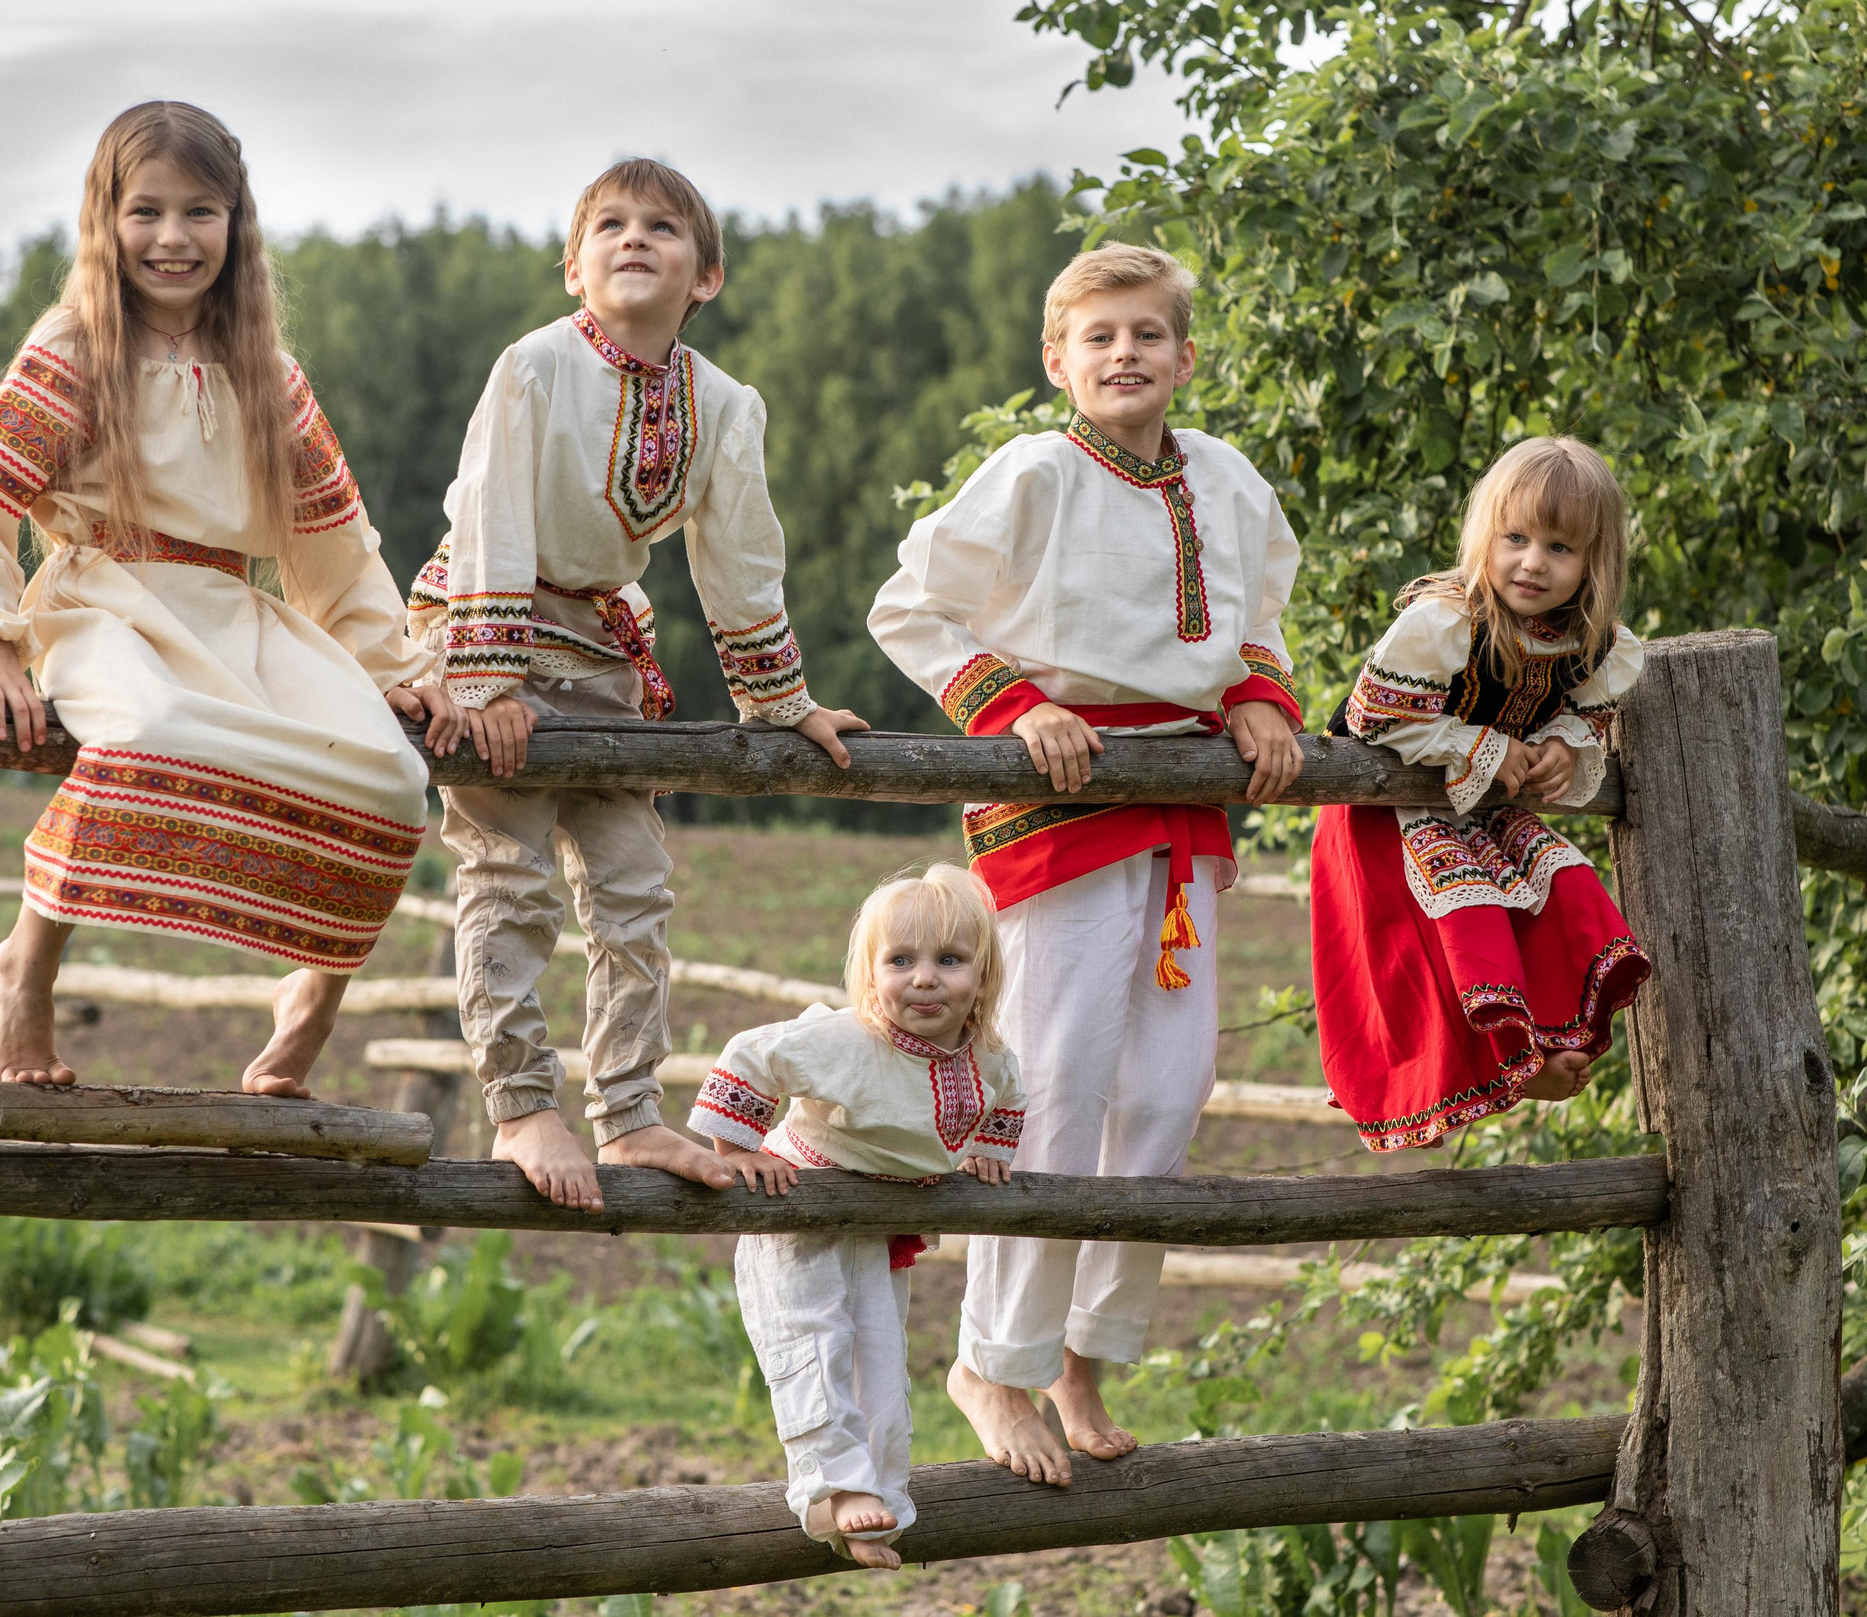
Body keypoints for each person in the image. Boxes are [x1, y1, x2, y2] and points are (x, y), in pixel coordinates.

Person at [866, 243, 1303, 1486]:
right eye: (1097, 336)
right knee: (1057, 1086)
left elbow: (1259, 614)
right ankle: (992, 1364)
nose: (1124, 354)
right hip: (1061, 799)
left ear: (1184, 356)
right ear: (1056, 360)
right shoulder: (1031, 474)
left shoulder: (1226, 479)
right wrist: (1009, 705)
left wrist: (1263, 700)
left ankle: (1083, 1353)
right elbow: (909, 605)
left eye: (1146, 335)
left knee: (1165, 1091)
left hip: (1188, 800)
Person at [0, 101, 463, 1097]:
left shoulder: (272, 374)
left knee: (389, 773)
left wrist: (392, 668)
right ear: (106, 218)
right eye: (147, 212)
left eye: (200, 212)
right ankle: (28, 961)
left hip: (237, 614)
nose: (172, 238)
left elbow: (334, 546)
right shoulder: (73, 347)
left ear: (236, 223)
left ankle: (314, 986)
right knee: (149, 730)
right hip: (106, 600)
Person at [409, 158, 869, 1209]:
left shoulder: (723, 404)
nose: (633, 239)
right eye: (608, 225)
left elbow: (742, 557)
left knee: (633, 889)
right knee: (507, 876)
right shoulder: (530, 365)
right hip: (491, 629)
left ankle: (628, 1117)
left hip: (604, 651)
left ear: (703, 276)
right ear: (575, 268)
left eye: (661, 227)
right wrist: (483, 681)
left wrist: (780, 701)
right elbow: (486, 513)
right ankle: (523, 1105)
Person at [1309, 435, 1651, 1151]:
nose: (1532, 562)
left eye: (1559, 547)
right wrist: (1482, 747)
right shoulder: (1448, 620)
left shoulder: (1594, 642)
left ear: (1594, 560)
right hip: (1388, 813)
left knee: (1560, 893)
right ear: (1485, 536)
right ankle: (1506, 1064)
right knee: (1454, 941)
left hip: (1480, 813)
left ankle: (1543, 1046)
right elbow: (1376, 716)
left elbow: (1586, 709)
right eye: (1516, 537)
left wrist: (1562, 742)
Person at [689, 864, 1024, 1568]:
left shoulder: (986, 1054)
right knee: (812, 1342)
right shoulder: (847, 1040)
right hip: (801, 1206)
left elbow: (1011, 1093)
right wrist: (738, 1151)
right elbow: (752, 1055)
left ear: (984, 978)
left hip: (873, 1221)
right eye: (900, 961)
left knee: (879, 1354)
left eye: (949, 960)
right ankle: (833, 1487)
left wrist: (989, 1150)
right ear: (872, 977)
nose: (924, 978)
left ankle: (876, 1500)